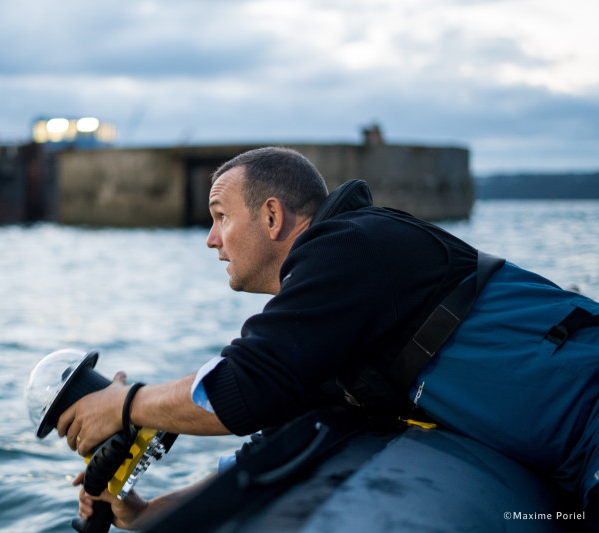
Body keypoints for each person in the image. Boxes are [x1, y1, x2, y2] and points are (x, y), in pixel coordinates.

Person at [58, 146, 599, 530]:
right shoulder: (328, 318)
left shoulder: (350, 247)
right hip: (568, 456)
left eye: (221, 216)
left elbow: (243, 389)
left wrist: (125, 406)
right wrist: (146, 513)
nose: (210, 239)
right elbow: (272, 451)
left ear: (272, 215)